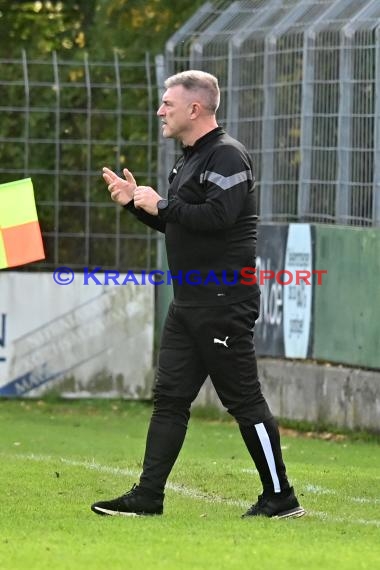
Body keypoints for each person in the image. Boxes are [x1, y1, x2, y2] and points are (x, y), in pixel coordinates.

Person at [91, 70, 305, 519]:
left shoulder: (227, 155)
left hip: (223, 301)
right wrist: (136, 203)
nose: (160, 111)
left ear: (196, 108)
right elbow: (180, 221)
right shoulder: (187, 159)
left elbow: (216, 218)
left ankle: (281, 497)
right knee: (169, 398)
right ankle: (148, 496)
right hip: (189, 304)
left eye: (167, 103)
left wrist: (161, 204)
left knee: (243, 401)